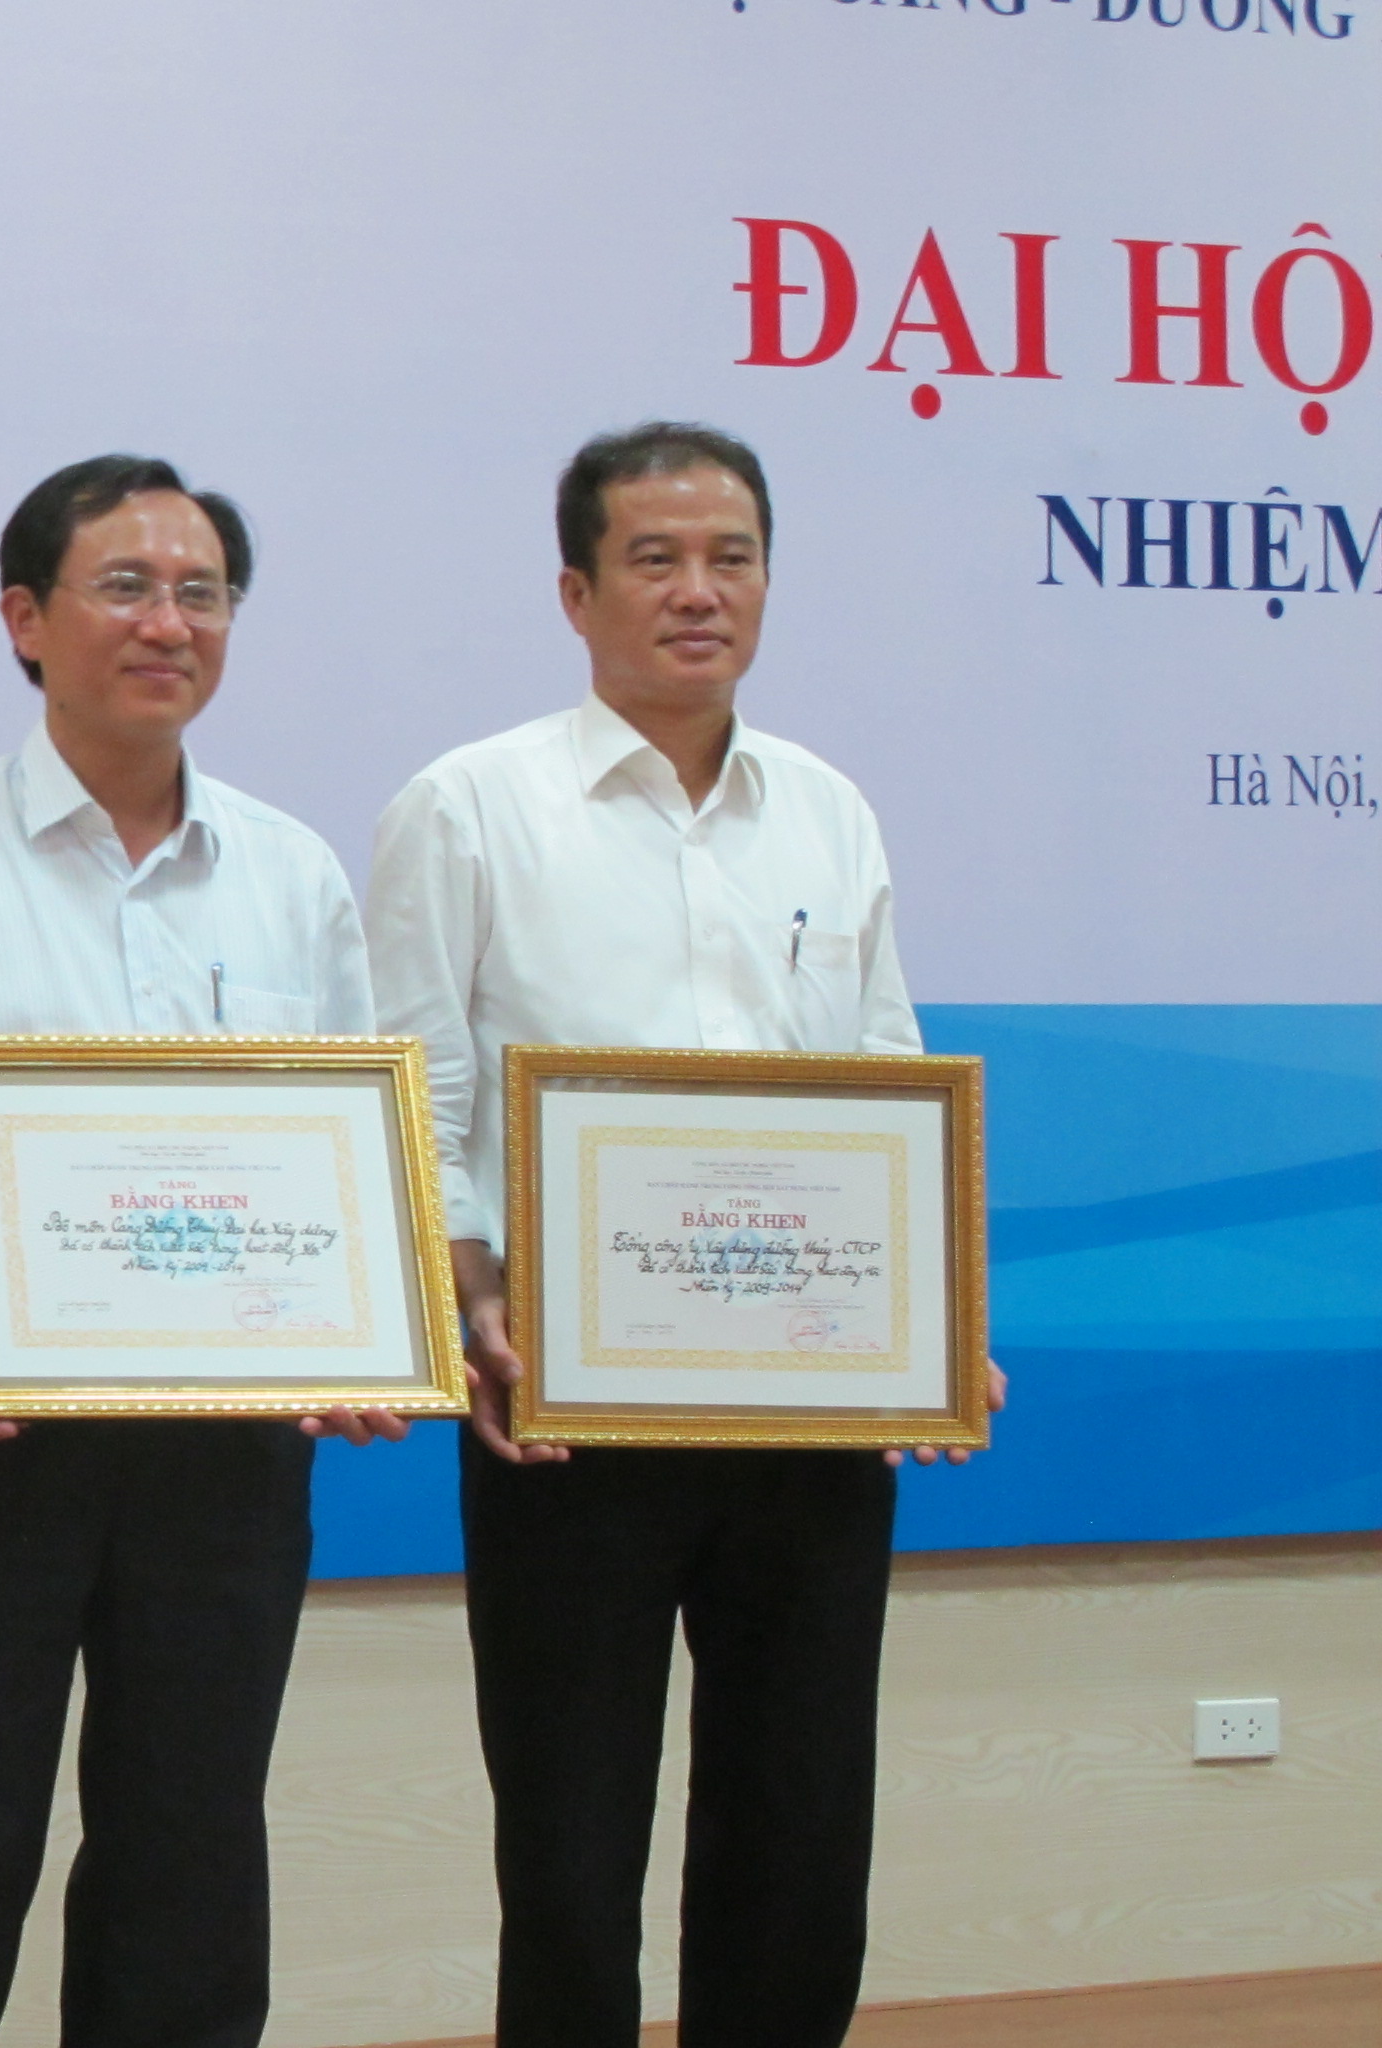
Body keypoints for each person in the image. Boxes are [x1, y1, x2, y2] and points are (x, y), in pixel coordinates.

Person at [365, 421, 1004, 2048]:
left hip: (810, 1405)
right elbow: (422, 1096)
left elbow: (883, 1081)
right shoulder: (470, 806)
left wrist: (933, 1326)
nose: (698, 592)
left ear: (770, 582)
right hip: (568, 1407)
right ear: (577, 593)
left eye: (732, 559)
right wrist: (470, 1304)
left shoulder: (828, 811)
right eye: (654, 560)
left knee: (802, 1826)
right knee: (571, 1845)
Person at [0, 455, 400, 2048]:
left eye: (202, 593)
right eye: (127, 587)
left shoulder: (292, 874)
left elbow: (348, 1152)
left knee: (190, 1861)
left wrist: (364, 1327)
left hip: (228, 1453)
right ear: (24, 619)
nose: (170, 623)